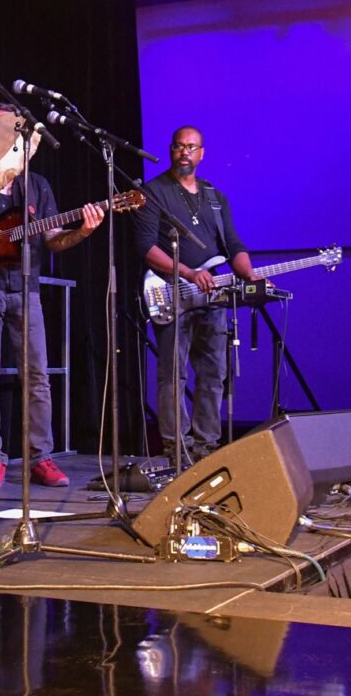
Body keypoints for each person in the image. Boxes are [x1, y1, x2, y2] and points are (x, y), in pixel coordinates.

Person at [0, 104, 105, 487]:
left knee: (37, 376)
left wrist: (82, 231)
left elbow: (55, 240)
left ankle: (40, 457)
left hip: (26, 287)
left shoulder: (36, 185)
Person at [132, 126, 255, 464]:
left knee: (214, 372)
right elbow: (145, 247)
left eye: (191, 147)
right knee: (174, 374)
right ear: (171, 150)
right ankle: (177, 448)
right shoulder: (152, 192)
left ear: (202, 154)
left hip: (211, 298)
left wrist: (249, 273)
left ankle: (207, 446)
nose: (184, 152)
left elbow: (233, 245)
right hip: (171, 292)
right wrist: (188, 272)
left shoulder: (215, 197)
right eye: (178, 146)